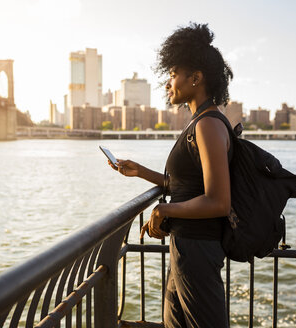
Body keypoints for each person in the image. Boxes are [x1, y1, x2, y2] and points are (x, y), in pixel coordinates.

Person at [109, 23, 233, 327]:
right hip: (185, 247)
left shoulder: (208, 125)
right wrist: (141, 172)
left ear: (196, 78)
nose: (169, 82)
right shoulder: (198, 124)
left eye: (173, 73)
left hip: (198, 250)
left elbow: (219, 201)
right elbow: (186, 186)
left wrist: (164, 209)